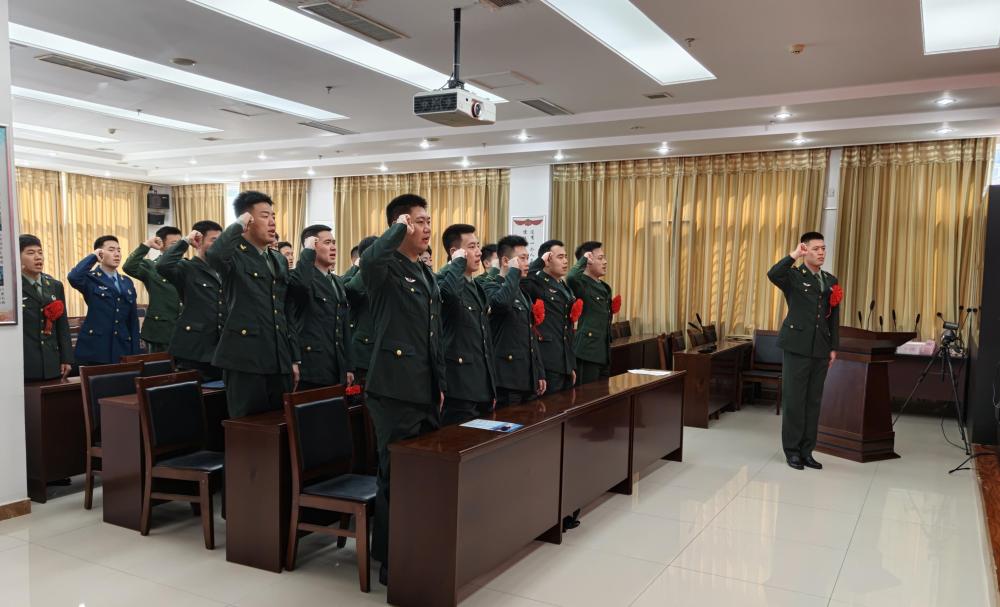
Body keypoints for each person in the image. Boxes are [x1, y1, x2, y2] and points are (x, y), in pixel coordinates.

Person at [361, 194, 446, 586]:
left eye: (428, 221)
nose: (427, 228)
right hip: (393, 389)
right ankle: (390, 557)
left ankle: (417, 545)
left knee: (421, 475)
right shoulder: (385, 268)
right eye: (418, 222)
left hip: (424, 388)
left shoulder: (424, 271)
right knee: (395, 475)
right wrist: (395, 231)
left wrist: (439, 384)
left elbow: (432, 337)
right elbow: (369, 261)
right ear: (401, 225)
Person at [207, 191, 299, 418]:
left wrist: (293, 357)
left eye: (273, 216)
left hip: (278, 357)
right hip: (245, 358)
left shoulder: (277, 259)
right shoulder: (234, 254)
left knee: (280, 423)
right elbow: (215, 255)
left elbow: (285, 310)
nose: (272, 222)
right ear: (248, 220)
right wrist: (238, 225)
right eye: (265, 216)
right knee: (248, 426)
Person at [767, 231, 840, 471]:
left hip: (820, 347)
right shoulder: (794, 277)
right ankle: (792, 451)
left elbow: (833, 317)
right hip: (796, 346)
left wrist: (833, 347)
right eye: (816, 248)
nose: (821, 252)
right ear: (805, 249)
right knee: (794, 401)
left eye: (823, 248)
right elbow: (773, 274)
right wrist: (794, 255)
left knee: (813, 401)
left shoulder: (830, 280)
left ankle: (807, 451)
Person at [437, 224, 497, 425]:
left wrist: (491, 387)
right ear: (455, 252)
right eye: (471, 247)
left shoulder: (476, 286)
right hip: (459, 387)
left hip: (481, 386)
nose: (478, 252)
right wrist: (457, 263)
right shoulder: (443, 280)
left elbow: (484, 341)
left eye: (478, 245)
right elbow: (451, 296)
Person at [158, 220, 226, 381]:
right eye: (214, 240)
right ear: (198, 241)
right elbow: (163, 266)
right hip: (194, 349)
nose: (219, 245)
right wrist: (185, 241)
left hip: (221, 350)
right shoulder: (187, 268)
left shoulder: (224, 270)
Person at [287, 225, 354, 390]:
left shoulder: (337, 281)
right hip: (312, 367)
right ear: (312, 245)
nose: (333, 247)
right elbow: (301, 285)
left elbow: (344, 326)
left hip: (336, 366)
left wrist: (348, 366)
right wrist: (308, 252)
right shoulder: (300, 277)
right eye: (327, 243)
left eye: (334, 242)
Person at [482, 235, 545, 407]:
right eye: (522, 259)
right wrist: (513, 273)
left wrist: (539, 372)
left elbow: (530, 335)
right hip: (507, 379)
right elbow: (502, 303)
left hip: (527, 376)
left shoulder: (521, 293)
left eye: (527, 258)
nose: (527, 264)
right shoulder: (490, 286)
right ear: (505, 261)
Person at [69, 235, 140, 365]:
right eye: (111, 250)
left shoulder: (126, 282)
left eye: (119, 250)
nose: (117, 254)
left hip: (122, 347)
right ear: (100, 253)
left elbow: (133, 320)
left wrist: (135, 353)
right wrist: (93, 257)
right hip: (96, 347)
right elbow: (73, 277)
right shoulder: (91, 279)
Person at [522, 239, 576, 393]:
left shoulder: (563, 285)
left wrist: (570, 364)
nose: (565, 261)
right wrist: (539, 262)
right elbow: (523, 282)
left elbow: (567, 328)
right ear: (547, 261)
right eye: (560, 257)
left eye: (566, 257)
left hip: (564, 360)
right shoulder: (536, 283)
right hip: (547, 361)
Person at [20, 234, 73, 381]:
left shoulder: (55, 285)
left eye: (40, 252)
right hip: (26, 364)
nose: (38, 257)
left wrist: (66, 358)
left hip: (52, 362)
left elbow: (62, 326)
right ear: (18, 258)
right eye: (31, 253)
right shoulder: (13, 287)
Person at [123, 226, 183, 353]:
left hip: (186, 329)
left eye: (180, 243)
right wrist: (147, 245)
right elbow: (129, 267)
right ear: (161, 245)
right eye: (174, 244)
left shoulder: (187, 266)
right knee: (161, 364)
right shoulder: (151, 266)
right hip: (161, 330)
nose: (178, 247)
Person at [568, 241, 613, 385]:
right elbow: (571, 278)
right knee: (587, 394)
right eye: (600, 258)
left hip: (602, 352)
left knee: (603, 394)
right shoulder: (582, 284)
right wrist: (583, 259)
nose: (605, 262)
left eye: (604, 257)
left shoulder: (604, 287)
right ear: (588, 261)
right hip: (587, 352)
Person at [343, 236, 377, 383]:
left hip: (385, 355)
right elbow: (348, 290)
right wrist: (361, 265)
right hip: (363, 356)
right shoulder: (358, 277)